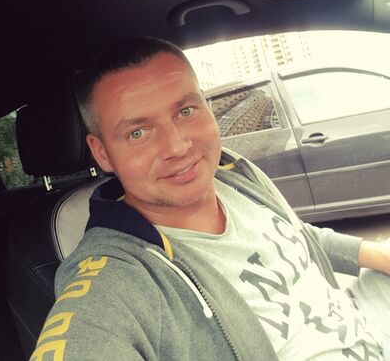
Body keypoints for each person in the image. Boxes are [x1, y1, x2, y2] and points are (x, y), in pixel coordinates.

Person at [30, 36, 390, 361]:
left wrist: (379, 255)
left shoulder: (233, 172)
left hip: (361, 318)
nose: (177, 147)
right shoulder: (116, 274)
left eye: (185, 112)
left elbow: (296, 236)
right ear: (102, 153)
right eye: (138, 132)